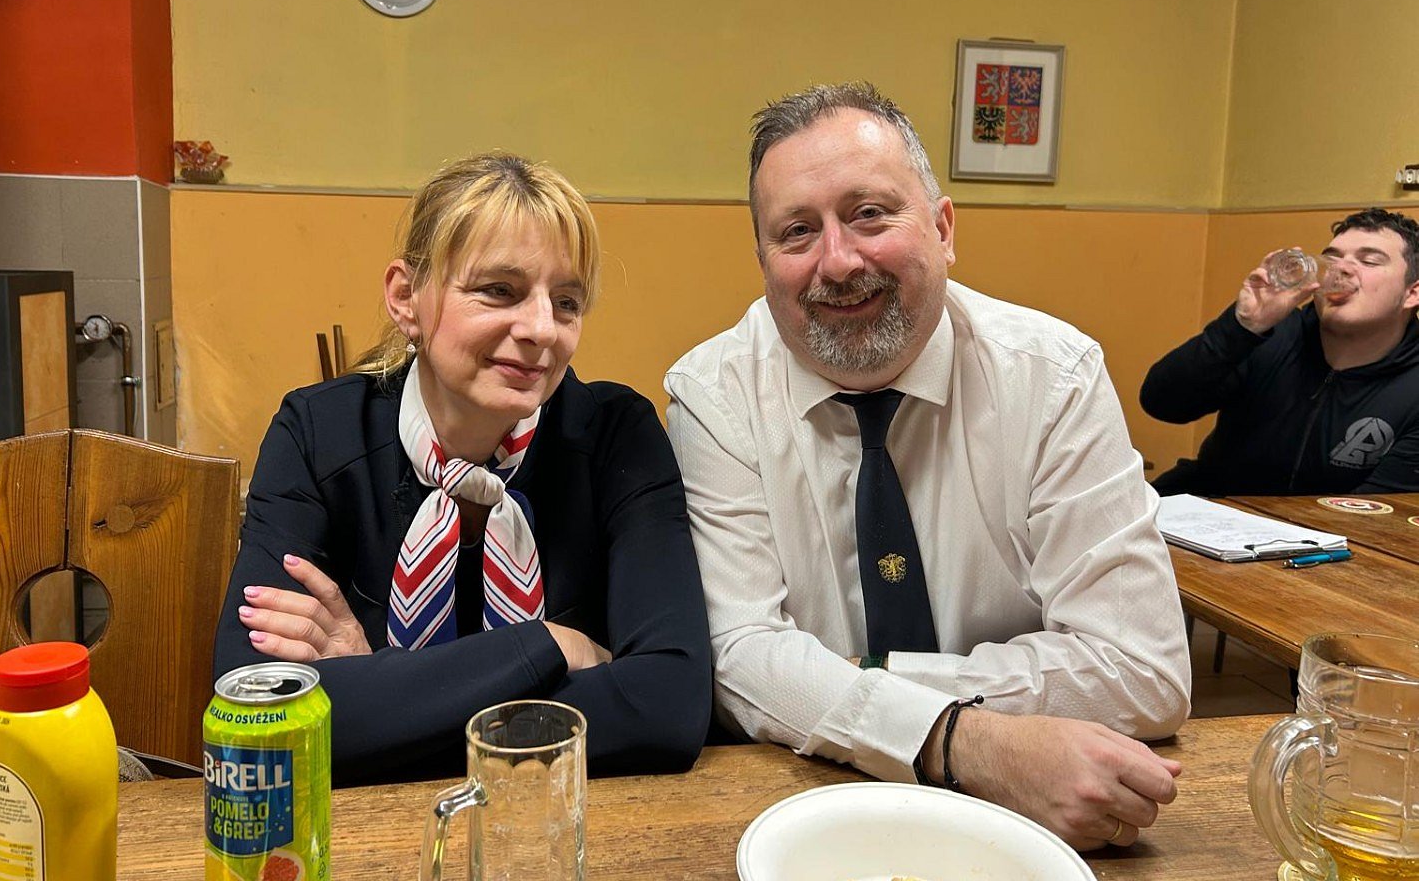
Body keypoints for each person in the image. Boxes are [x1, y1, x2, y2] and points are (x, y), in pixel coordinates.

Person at [664, 82, 1191, 851]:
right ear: (764, 262)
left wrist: (855, 679)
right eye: (797, 232)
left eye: (870, 214)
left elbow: (1143, 670)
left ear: (943, 229)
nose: (838, 261)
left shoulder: (1055, 375)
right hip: (805, 809)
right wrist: (962, 742)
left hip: (1037, 819)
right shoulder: (714, 393)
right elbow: (739, 657)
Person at [214, 153, 712, 785]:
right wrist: (552, 646)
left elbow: (666, 708)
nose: (542, 329)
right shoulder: (317, 434)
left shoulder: (618, 435)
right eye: (499, 290)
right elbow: (252, 713)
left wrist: (375, 693)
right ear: (406, 298)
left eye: (566, 301)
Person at [1142, 208, 1419, 496]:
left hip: (1317, 524)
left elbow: (1373, 510)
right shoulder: (1271, 333)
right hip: (1201, 504)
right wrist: (1241, 327)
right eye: (1332, 258)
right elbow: (1161, 403)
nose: (1340, 269)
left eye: (1369, 261)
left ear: (1412, 293)